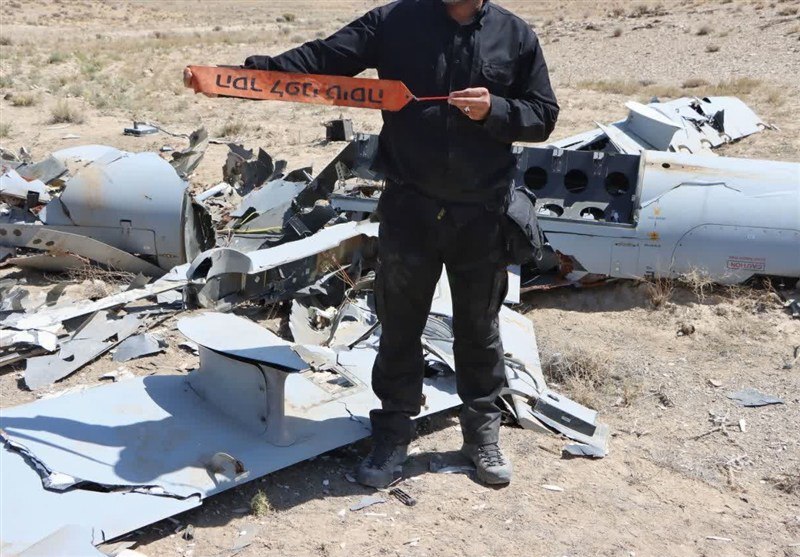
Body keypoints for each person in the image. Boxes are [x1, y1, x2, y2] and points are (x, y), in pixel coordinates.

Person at [184, 0, 558, 488]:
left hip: (482, 216)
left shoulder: (515, 35)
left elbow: (543, 115)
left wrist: (496, 109)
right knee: (400, 327)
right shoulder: (395, 22)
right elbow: (325, 58)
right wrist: (252, 76)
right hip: (410, 210)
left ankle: (481, 437)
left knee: (479, 329)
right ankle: (392, 437)